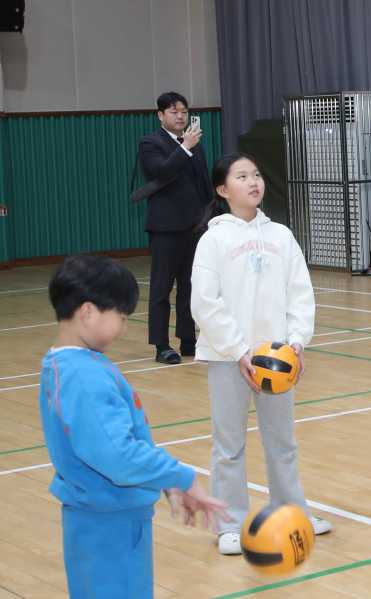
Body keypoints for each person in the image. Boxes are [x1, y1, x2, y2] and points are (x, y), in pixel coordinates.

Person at [39, 255, 227, 598]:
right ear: (88, 311)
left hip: (106, 518)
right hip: (108, 528)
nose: (123, 328)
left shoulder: (73, 364)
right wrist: (179, 476)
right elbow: (117, 455)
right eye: (121, 317)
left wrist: (164, 484)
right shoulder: (83, 376)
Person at [190, 153, 332, 555]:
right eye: (241, 176)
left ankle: (291, 513)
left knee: (282, 442)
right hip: (227, 358)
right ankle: (230, 524)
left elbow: (300, 293)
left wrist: (297, 342)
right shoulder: (213, 239)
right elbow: (205, 303)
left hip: (277, 360)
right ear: (223, 189)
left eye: (255, 174)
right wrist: (238, 350)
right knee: (228, 444)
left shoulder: (281, 236)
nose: (253, 181)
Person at [138, 91, 213, 365]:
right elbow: (161, 172)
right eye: (173, 111)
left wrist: (212, 214)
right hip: (165, 228)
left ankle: (189, 340)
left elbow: (203, 181)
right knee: (161, 288)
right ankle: (161, 345)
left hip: (195, 227)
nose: (180, 116)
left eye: (183, 111)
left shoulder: (195, 144)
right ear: (160, 115)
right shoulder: (150, 143)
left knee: (191, 286)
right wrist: (184, 148)